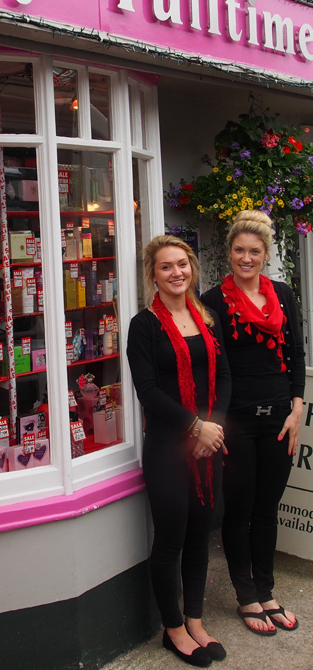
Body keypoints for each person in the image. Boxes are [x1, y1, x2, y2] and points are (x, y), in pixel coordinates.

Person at [128, 235, 230, 667]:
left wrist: (215, 427)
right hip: (169, 448)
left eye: (183, 264)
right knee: (171, 540)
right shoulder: (144, 325)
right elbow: (148, 391)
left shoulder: (205, 316)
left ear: (193, 268)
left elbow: (224, 374)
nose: (177, 273)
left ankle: (196, 620)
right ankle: (173, 630)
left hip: (209, 447)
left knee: (199, 538)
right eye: (166, 266)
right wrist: (195, 426)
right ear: (153, 274)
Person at [202, 210, 304, 636]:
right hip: (238, 422)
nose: (247, 258)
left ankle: (267, 589)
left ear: (266, 254)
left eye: (255, 252)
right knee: (240, 509)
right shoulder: (212, 302)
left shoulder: (282, 295)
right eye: (239, 250)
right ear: (230, 252)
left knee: (267, 509)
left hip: (280, 419)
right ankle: (246, 595)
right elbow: (214, 369)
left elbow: (297, 354)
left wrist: (298, 408)